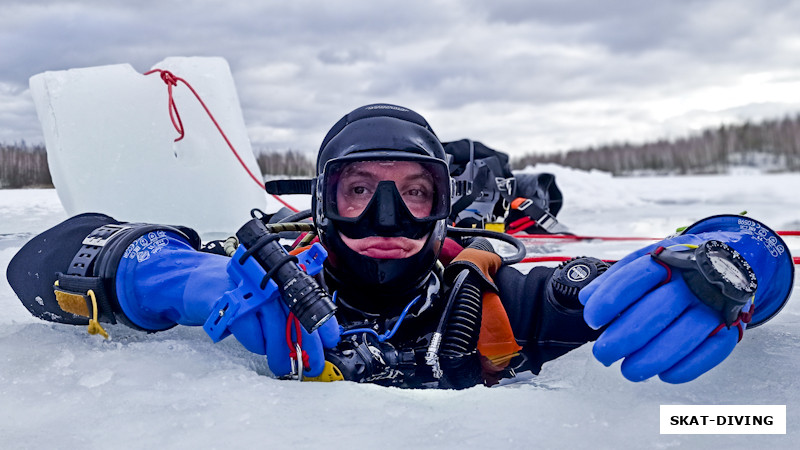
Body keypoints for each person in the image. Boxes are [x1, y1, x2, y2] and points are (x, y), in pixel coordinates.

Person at [6, 104, 794, 389]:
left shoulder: (498, 301)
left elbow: (643, 277)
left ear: (445, 208)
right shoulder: (264, 286)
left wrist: (743, 258)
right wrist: (178, 279)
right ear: (322, 204)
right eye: (360, 191)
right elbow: (37, 267)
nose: (388, 212)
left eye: (414, 192)